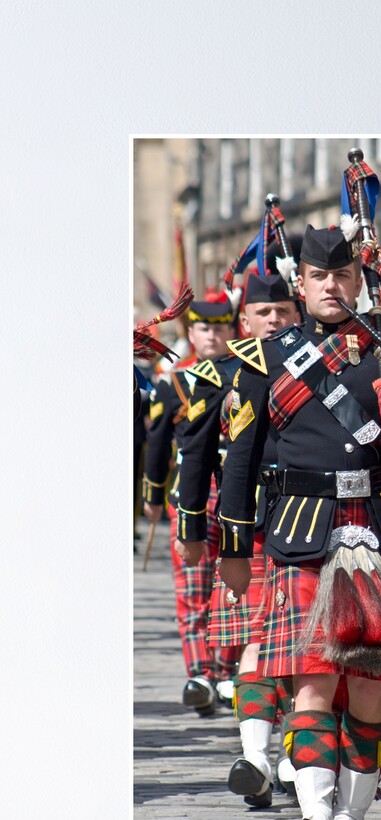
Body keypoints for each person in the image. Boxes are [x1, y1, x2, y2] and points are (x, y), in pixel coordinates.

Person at [217, 224, 381, 820]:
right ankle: (316, 816)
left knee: (372, 687)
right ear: (302, 284)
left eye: (343, 275)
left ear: (359, 280)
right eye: (320, 277)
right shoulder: (265, 358)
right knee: (312, 685)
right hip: (302, 532)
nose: (332, 286)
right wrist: (234, 546)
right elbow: (241, 459)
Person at [176, 271, 301, 805]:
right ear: (242, 321)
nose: (274, 321)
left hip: (305, 521)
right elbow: (199, 455)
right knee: (256, 641)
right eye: (264, 313)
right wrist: (192, 529)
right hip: (245, 528)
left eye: (283, 313)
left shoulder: (319, 370)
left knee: (301, 654)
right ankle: (255, 757)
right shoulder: (217, 374)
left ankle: (297, 760)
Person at [142, 293, 241, 716]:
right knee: (194, 589)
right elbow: (158, 440)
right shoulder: (176, 381)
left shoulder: (247, 374)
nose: (213, 335)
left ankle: (228, 670)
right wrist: (152, 492)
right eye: (204, 328)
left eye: (220, 327)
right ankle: (200, 673)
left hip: (238, 493)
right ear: (192, 332)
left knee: (233, 589)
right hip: (192, 494)